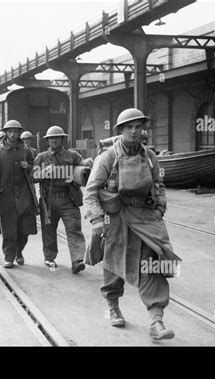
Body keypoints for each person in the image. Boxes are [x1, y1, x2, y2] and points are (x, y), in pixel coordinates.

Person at [83, 108, 181, 340]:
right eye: (130, 127)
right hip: (116, 217)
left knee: (154, 263)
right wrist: (97, 219)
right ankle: (113, 306)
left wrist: (159, 208)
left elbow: (158, 185)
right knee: (114, 263)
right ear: (121, 130)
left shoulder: (150, 156)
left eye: (138, 126)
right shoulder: (107, 157)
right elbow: (90, 191)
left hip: (145, 217)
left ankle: (156, 321)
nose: (135, 131)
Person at [33, 126, 93, 273]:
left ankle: (77, 260)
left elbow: (82, 164)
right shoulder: (41, 157)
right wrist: (44, 172)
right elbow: (32, 178)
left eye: (57, 137)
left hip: (68, 198)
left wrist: (88, 163)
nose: (54, 140)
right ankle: (49, 257)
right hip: (49, 200)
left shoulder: (71, 155)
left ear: (62, 139)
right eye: (51, 138)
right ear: (47, 140)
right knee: (49, 231)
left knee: (74, 229)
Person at [0, 120, 37, 268]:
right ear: (6, 133)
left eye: (16, 131)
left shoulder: (25, 150)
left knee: (25, 229)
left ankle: (18, 251)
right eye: (10, 131)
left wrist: (27, 166)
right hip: (6, 195)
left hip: (24, 195)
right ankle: (9, 257)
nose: (13, 134)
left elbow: (35, 170)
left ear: (19, 133)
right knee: (9, 229)